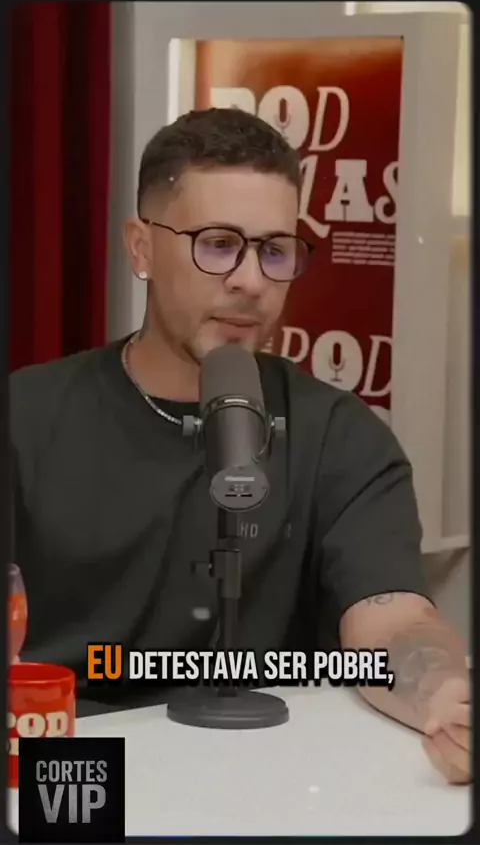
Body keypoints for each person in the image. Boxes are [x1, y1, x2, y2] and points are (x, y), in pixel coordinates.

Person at [10, 108, 470, 784]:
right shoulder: (25, 417)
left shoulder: (339, 435)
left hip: (261, 777)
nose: (251, 281)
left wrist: (444, 696)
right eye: (219, 244)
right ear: (141, 249)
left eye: (275, 251)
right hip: (67, 772)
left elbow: (391, 622)